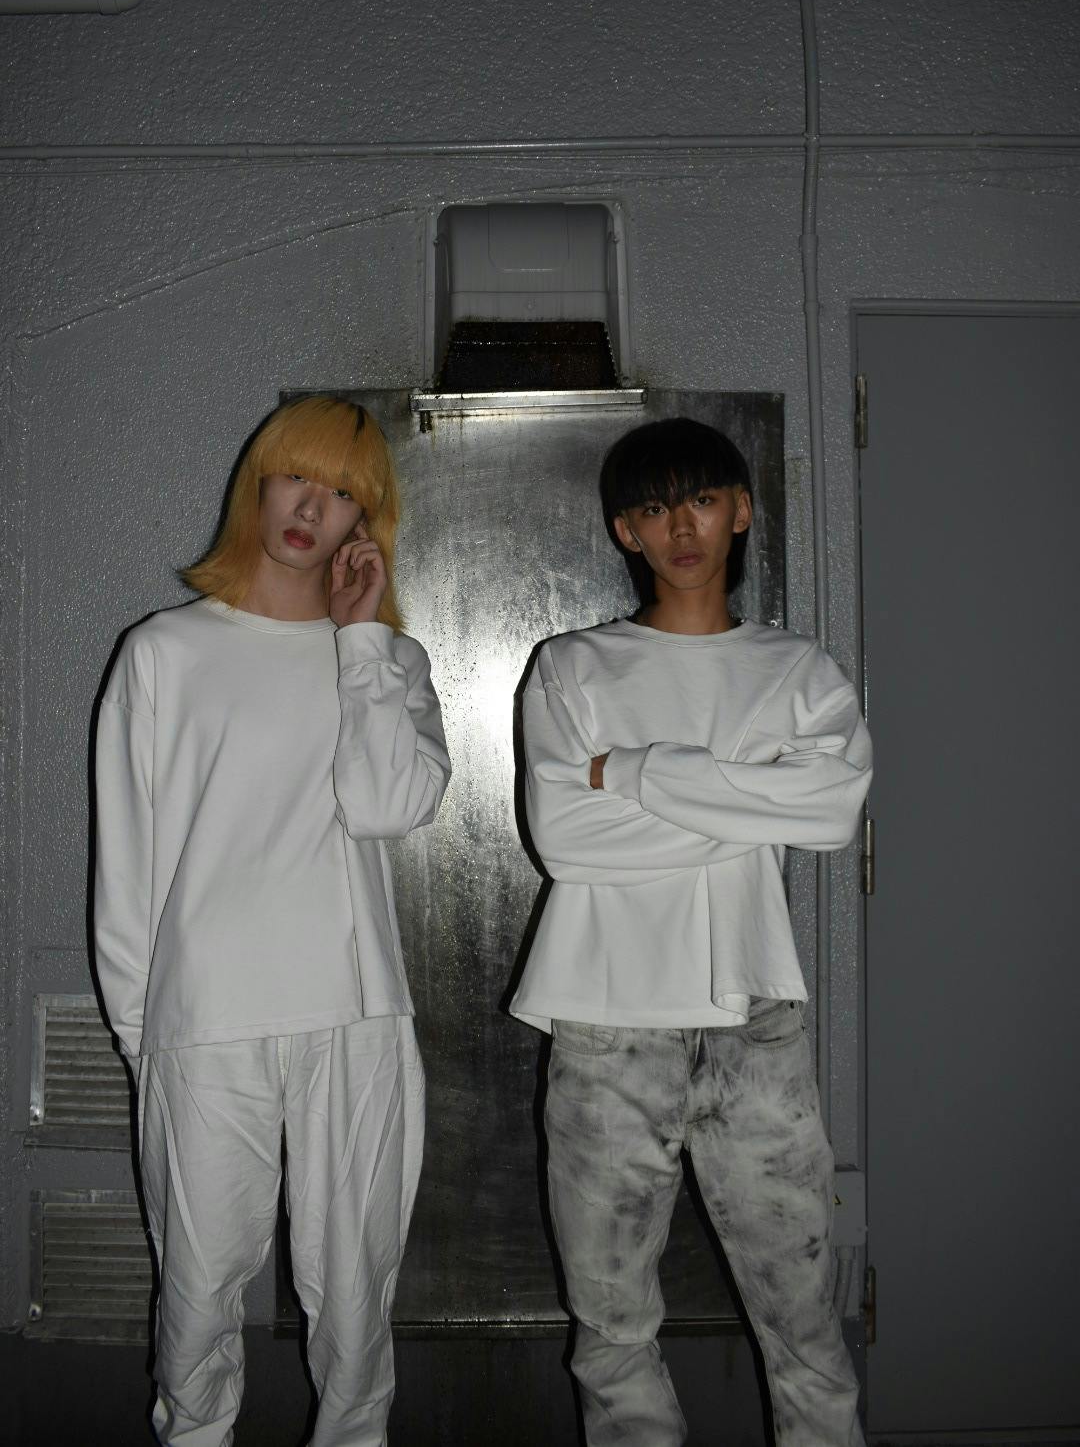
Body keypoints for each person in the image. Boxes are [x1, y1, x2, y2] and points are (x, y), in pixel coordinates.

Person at [94, 394, 450, 1447]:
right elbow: (128, 869)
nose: (312, 507)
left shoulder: (391, 662)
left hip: (356, 1016)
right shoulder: (164, 652)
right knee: (198, 1295)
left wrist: (361, 643)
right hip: (204, 1017)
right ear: (260, 479)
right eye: (299, 476)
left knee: (356, 1300)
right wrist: (145, 1037)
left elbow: (389, 805)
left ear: (365, 525)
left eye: (344, 494)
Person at [510, 416, 872, 1447]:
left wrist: (633, 773)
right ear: (625, 529)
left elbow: (834, 812)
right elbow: (566, 840)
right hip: (605, 1022)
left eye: (703, 500)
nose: (682, 528)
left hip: (753, 1017)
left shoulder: (794, 669)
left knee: (804, 1321)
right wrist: (751, 798)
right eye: (656, 508)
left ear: (740, 511)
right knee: (611, 1327)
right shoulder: (572, 666)